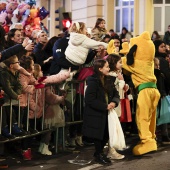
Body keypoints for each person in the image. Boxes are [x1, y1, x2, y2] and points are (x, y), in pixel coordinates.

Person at [83, 59, 120, 165]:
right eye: (107, 67)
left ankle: (99, 153)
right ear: (100, 69)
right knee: (98, 135)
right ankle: (99, 154)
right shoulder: (92, 81)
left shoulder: (109, 80)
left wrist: (114, 102)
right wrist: (105, 106)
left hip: (107, 111)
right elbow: (89, 99)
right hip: (96, 113)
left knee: (106, 134)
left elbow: (116, 94)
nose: (109, 68)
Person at [106, 53, 127, 159]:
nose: (121, 64)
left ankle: (112, 149)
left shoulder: (116, 74)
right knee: (113, 127)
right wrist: (122, 81)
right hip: (114, 104)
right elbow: (116, 89)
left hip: (117, 102)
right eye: (120, 62)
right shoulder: (112, 76)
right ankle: (111, 150)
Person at [0, 55, 26, 139]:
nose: (19, 63)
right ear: (11, 65)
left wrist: (16, 95)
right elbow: (6, 87)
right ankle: (4, 129)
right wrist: (15, 95)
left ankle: (14, 127)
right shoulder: (4, 74)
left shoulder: (17, 73)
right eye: (17, 62)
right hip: (5, 97)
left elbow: (19, 86)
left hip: (11, 97)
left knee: (15, 111)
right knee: (4, 111)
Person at [154, 40, 170, 144]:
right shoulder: (162, 60)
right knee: (162, 113)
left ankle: (158, 135)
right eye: (162, 46)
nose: (164, 48)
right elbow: (167, 77)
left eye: (164, 46)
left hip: (157, 89)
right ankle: (164, 136)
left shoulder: (155, 59)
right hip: (162, 90)